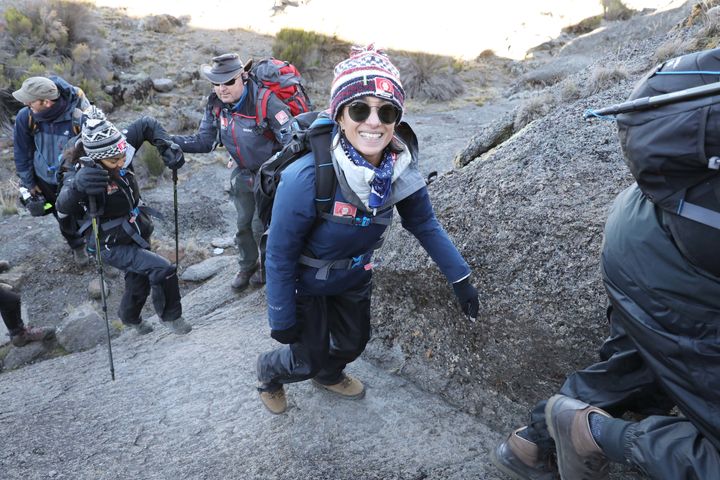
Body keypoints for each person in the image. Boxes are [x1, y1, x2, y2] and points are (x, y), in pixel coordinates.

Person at [255, 45, 480, 415]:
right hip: (305, 283)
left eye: (386, 111)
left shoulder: (400, 169)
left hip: (354, 274)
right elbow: (279, 253)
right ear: (340, 116)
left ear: (396, 119)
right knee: (304, 357)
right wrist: (280, 315)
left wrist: (461, 279)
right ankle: (270, 371)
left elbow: (423, 223)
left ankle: (328, 373)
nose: (374, 122)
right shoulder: (306, 177)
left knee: (352, 343)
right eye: (360, 109)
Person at [492, 180, 720, 479]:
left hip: (647, 220)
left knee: (643, 357)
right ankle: (591, 433)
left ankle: (533, 443)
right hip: (684, 251)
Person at [56, 109, 191, 336]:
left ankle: (130, 318)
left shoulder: (116, 148)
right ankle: (172, 318)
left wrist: (166, 145)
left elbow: (147, 123)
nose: (121, 162)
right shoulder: (78, 172)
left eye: (122, 156)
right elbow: (62, 205)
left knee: (139, 279)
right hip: (109, 243)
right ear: (96, 157)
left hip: (134, 229)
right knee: (162, 269)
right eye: (114, 160)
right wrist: (79, 186)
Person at [170, 53, 295, 291]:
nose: (221, 89)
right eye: (216, 83)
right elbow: (205, 141)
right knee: (242, 224)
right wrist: (170, 141)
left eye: (228, 82)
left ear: (243, 77)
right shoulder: (216, 104)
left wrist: (277, 173)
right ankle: (247, 265)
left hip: (270, 176)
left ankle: (266, 265)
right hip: (242, 173)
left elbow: (291, 141)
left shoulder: (266, 102)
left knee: (262, 225)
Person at [12, 76, 91, 266]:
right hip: (45, 181)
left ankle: (97, 245)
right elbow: (22, 151)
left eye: (30, 100)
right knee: (62, 216)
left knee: (87, 213)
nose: (25, 103)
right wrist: (29, 182)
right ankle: (77, 246)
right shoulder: (26, 116)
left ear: (46, 102)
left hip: (77, 180)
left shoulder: (78, 117)